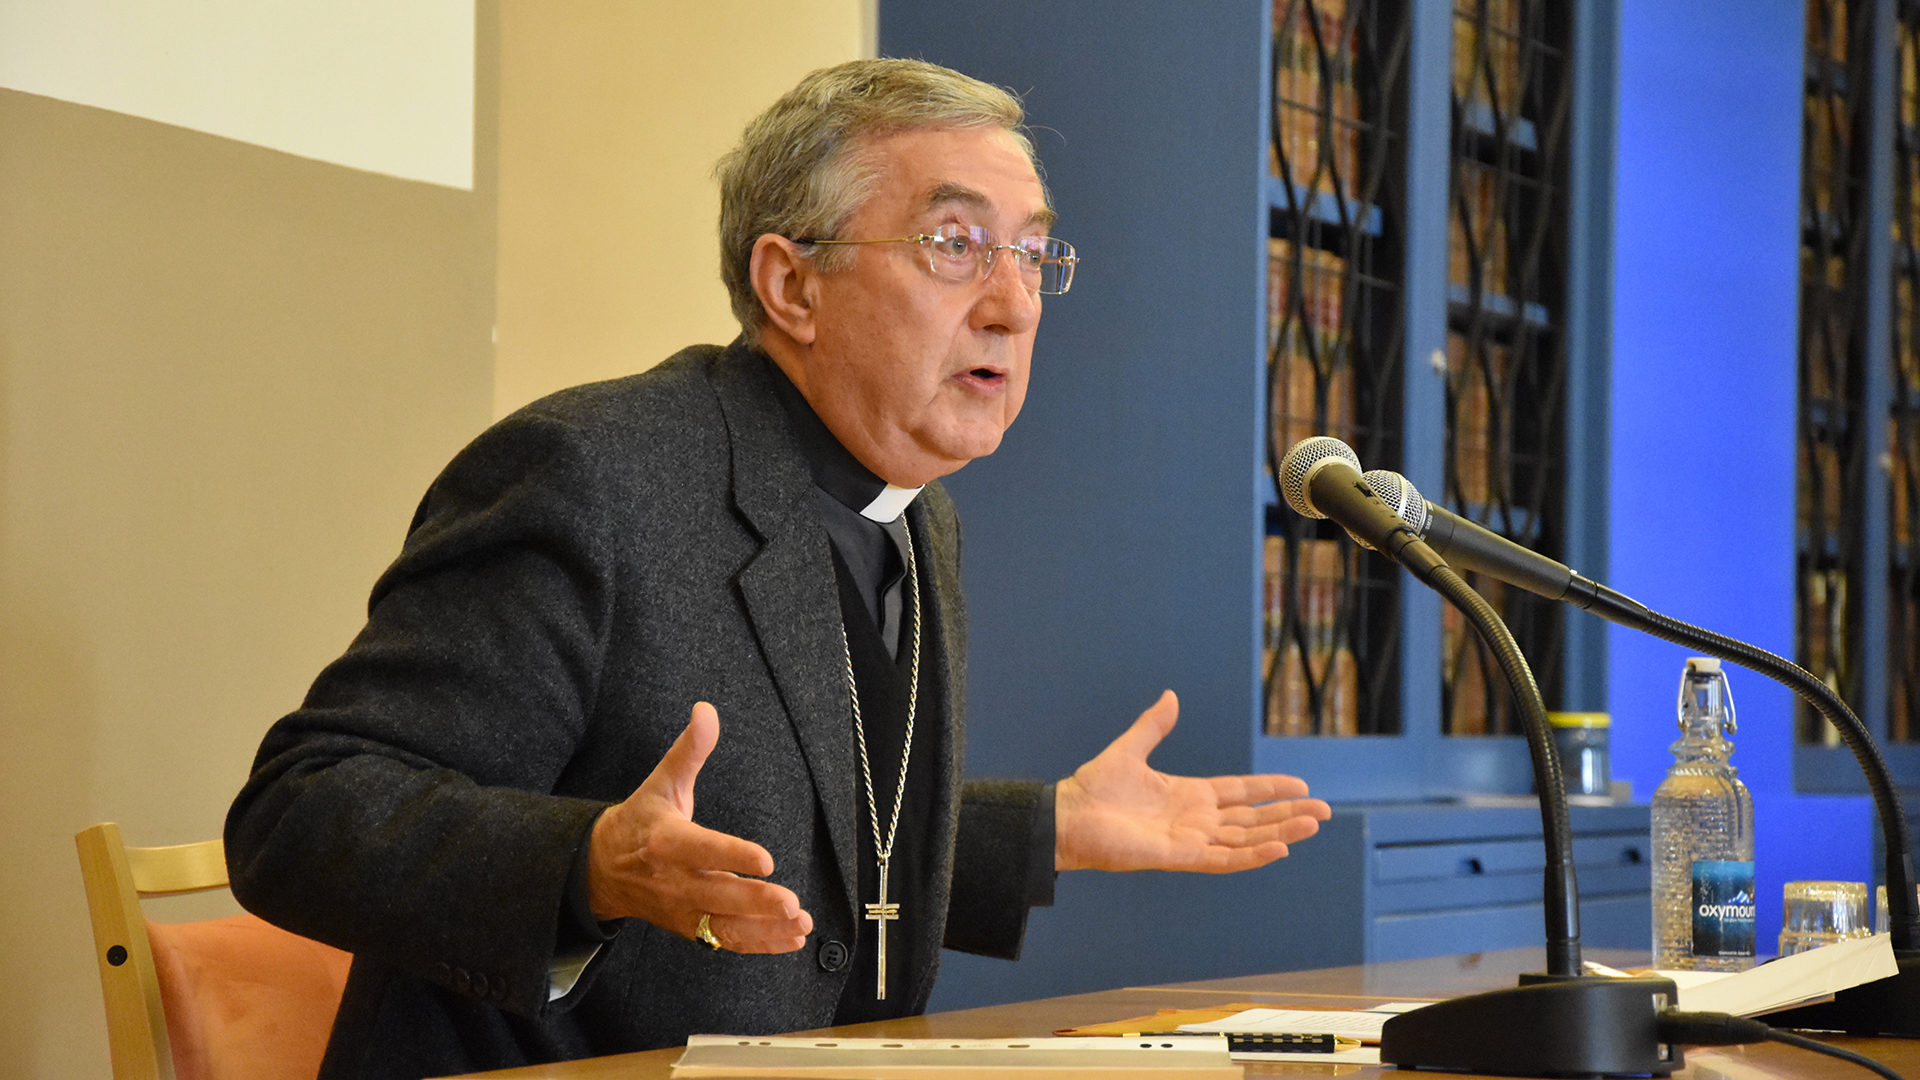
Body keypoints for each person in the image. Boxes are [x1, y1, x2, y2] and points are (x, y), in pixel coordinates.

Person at [225, 57, 1332, 1079]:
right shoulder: (592, 476)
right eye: (955, 244)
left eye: (1034, 252)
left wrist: (1049, 828)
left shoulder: (916, 513)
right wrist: (591, 865)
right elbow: (301, 814)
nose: (1015, 301)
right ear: (792, 286)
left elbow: (818, 838)